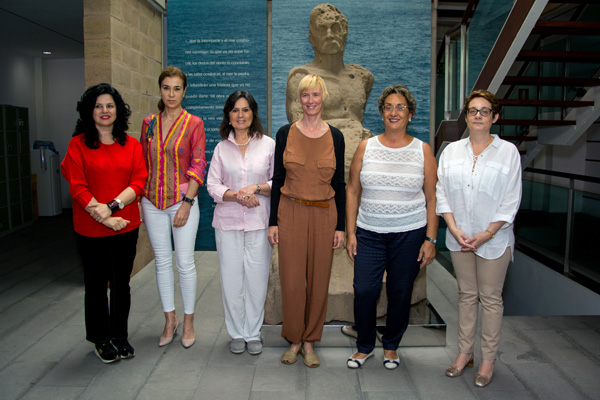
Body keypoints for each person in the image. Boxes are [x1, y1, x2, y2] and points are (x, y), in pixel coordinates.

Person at [345, 84, 438, 370]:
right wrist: (350, 233)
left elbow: (433, 197)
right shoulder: (366, 146)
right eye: (388, 107)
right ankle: (364, 346)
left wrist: (430, 239)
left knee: (400, 292)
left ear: (410, 114)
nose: (394, 112)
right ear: (381, 113)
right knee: (364, 291)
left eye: (400, 107)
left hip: (409, 234)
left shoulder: (422, 150)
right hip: (369, 233)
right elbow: (351, 191)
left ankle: (391, 345)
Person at [437, 90, 522, 387]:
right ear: (466, 115)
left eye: (485, 111)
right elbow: (442, 193)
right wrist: (453, 227)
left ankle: (488, 360)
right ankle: (464, 354)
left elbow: (511, 199)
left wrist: (487, 233)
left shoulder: (508, 152)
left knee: (490, 299)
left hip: (494, 240)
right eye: (473, 111)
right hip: (459, 237)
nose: (478, 116)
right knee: (466, 296)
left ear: (495, 117)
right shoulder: (451, 151)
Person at [61, 83, 148, 363]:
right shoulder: (78, 145)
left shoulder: (131, 145)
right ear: (90, 111)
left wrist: (111, 209)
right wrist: (102, 216)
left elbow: (139, 181)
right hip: (90, 228)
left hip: (125, 225)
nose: (104, 111)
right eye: (98, 106)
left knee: (121, 284)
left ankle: (120, 337)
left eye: (109, 105)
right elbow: (77, 185)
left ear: (118, 111)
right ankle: (101, 339)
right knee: (96, 285)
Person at [268, 74, 346, 368]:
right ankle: (294, 339)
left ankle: (310, 340)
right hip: (291, 211)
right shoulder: (284, 133)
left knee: (318, 279)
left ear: (323, 97)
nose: (310, 101)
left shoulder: (335, 136)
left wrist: (341, 227)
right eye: (304, 96)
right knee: (291, 280)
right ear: (298, 100)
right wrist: (273, 221)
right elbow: (278, 178)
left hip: (325, 214)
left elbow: (339, 183)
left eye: (315, 95)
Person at [140, 66, 207, 349]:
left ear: (184, 91)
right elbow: (142, 162)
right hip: (151, 201)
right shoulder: (149, 123)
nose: (171, 93)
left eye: (177, 88)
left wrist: (187, 203)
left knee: (184, 262)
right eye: (166, 87)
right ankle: (170, 319)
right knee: (162, 262)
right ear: (160, 89)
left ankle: (189, 319)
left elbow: (199, 164)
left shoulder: (194, 123)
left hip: (182, 202)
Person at [207, 90, 275, 355]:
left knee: (256, 280)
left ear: (253, 113)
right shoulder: (222, 148)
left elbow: (277, 182)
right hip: (228, 223)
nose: (240, 115)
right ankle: (237, 332)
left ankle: (253, 332)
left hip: (259, 222)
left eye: (245, 109)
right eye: (235, 110)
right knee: (232, 280)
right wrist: (237, 196)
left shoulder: (268, 145)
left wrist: (255, 188)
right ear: (228, 115)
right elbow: (212, 184)